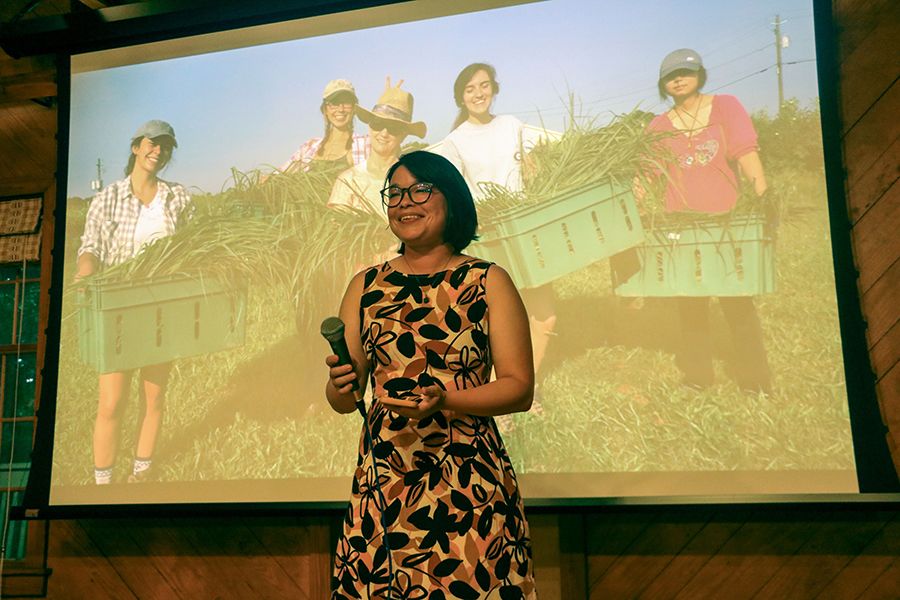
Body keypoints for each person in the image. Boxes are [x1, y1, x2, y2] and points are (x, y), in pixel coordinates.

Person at [325, 151, 536, 598]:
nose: (405, 202)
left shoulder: (487, 280)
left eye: (420, 189)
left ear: (452, 200)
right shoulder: (365, 286)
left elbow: (519, 388)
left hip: (467, 480)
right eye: (395, 193)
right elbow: (346, 399)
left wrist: (446, 399)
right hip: (386, 481)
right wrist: (339, 385)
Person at [76, 120, 194, 484]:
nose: (157, 150)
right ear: (136, 147)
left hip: (162, 307)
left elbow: (191, 248)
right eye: (151, 143)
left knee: (154, 397)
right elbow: (91, 246)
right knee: (111, 401)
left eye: (165, 146)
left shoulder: (178, 197)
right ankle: (102, 482)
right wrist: (85, 272)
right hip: (118, 308)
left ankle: (141, 473)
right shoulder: (107, 197)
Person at [648, 48, 772, 392]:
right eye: (670, 75)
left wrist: (764, 197)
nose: (678, 78)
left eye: (685, 71)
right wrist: (632, 214)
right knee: (690, 306)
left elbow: (746, 153)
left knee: (738, 305)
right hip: (681, 230)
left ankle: (755, 382)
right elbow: (645, 176)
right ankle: (697, 379)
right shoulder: (658, 127)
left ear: (700, 74)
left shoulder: (726, 107)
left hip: (725, 225)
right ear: (663, 84)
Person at [438, 62, 556, 397]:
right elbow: (443, 180)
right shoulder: (455, 141)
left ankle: (525, 388)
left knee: (544, 315)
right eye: (471, 88)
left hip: (524, 230)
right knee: (493, 323)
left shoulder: (511, 125)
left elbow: (551, 142)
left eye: (485, 85)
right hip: (488, 237)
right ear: (461, 97)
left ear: (494, 88)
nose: (479, 93)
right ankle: (491, 390)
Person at [328, 78, 427, 216]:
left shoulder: (416, 180)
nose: (384, 133)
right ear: (369, 127)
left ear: (403, 135)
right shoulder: (348, 181)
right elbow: (336, 229)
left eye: (393, 128)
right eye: (378, 123)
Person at [278, 79, 370, 182]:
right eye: (334, 103)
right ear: (325, 110)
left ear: (354, 109)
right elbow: (280, 174)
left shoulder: (365, 143)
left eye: (346, 103)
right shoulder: (310, 146)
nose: (341, 109)